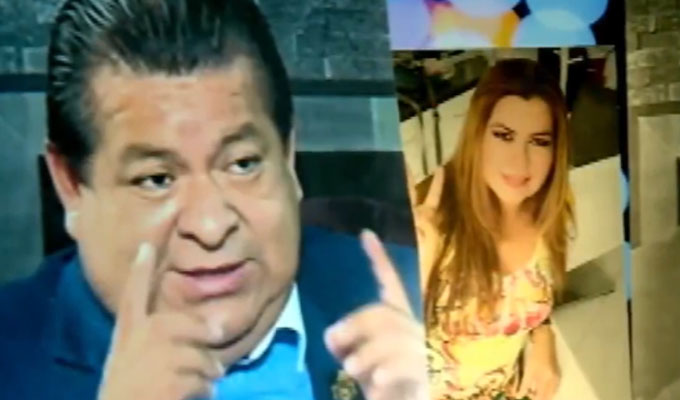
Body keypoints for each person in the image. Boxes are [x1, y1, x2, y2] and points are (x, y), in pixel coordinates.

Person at [0, 1, 427, 399]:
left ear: (287, 156)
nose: (210, 226)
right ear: (71, 186)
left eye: (242, 164)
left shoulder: (432, 301)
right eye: (157, 180)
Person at [407, 58, 574, 400]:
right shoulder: (430, 219)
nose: (519, 162)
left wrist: (544, 338)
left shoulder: (550, 212)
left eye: (539, 141)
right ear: (478, 136)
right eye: (504, 136)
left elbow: (533, 294)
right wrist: (419, 269)